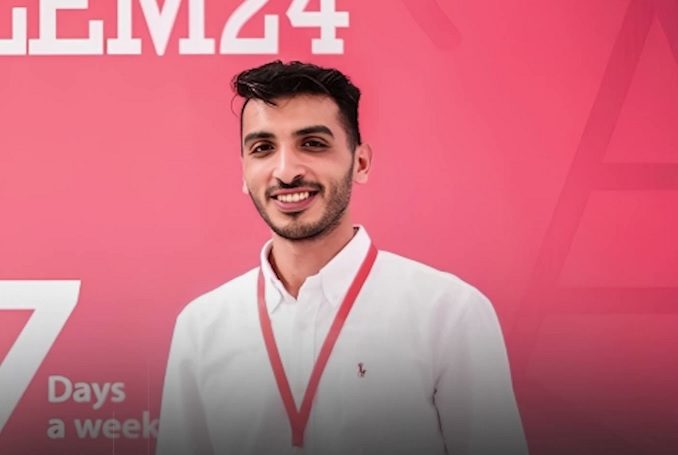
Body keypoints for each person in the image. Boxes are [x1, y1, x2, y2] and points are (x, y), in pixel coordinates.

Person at [156, 61, 528, 455]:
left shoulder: (449, 313)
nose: (286, 172)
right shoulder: (201, 326)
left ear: (360, 163)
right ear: (245, 172)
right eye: (263, 148)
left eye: (312, 143)